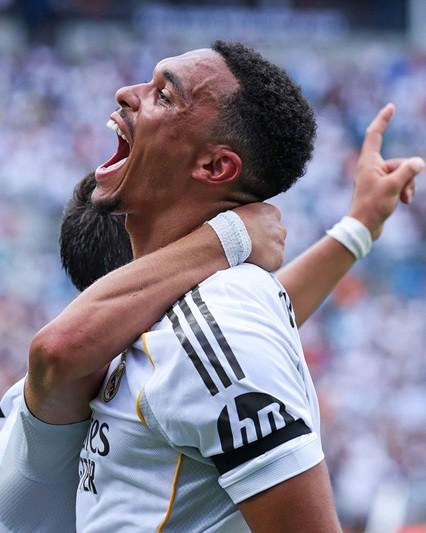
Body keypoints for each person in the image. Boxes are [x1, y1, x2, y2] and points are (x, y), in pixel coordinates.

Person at [5, 41, 424, 532]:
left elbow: (211, 338)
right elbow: (185, 344)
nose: (125, 92)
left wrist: (355, 229)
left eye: (164, 94)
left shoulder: (213, 324)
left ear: (213, 167)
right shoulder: (143, 346)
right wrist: (232, 235)